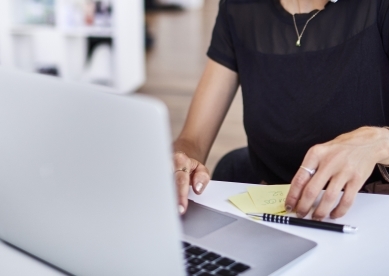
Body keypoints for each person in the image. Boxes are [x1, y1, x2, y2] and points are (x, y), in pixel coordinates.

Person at [173, 0, 389, 221]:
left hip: (368, 206)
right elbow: (194, 139)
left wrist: (377, 142)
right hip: (277, 209)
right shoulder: (238, 8)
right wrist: (181, 162)